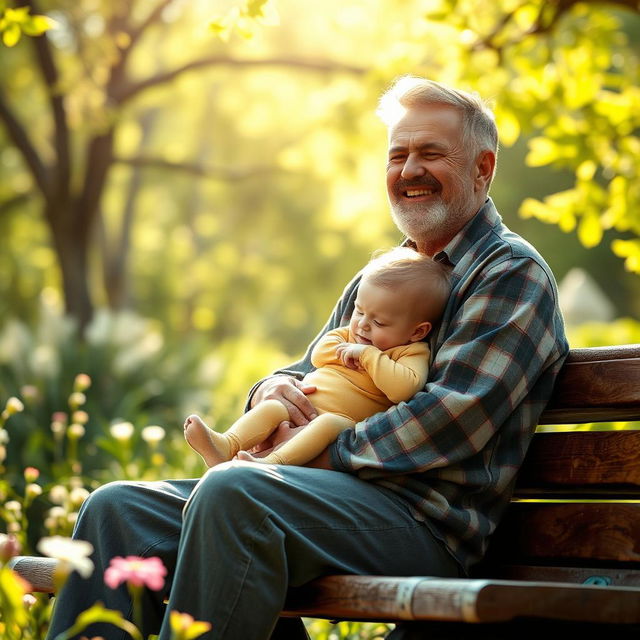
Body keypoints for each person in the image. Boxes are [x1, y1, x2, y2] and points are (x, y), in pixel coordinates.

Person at [45, 76, 569, 640]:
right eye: (398, 155)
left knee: (235, 492)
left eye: (431, 153)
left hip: (421, 523)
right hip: (315, 495)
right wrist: (270, 393)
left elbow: (450, 420)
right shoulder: (386, 273)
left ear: (482, 168)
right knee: (115, 508)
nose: (409, 170)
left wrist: (318, 454)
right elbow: (309, 371)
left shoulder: (510, 273)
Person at [183, 247, 450, 469]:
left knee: (328, 424)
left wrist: (369, 357)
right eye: (359, 312)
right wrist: (350, 348)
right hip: (302, 406)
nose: (363, 325)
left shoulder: (410, 352)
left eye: (379, 322)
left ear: (417, 331)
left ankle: (269, 464)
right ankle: (226, 444)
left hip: (340, 420)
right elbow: (320, 356)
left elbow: (405, 388)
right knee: (274, 407)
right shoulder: (349, 334)